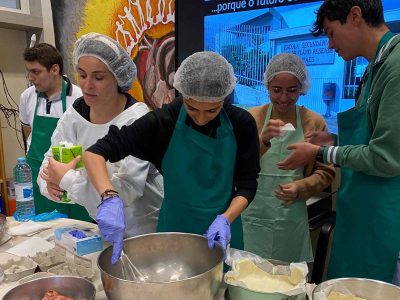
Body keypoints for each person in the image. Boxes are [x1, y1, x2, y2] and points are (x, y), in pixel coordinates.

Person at [83, 51, 261, 264]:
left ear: (224, 98)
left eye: (212, 110)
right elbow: (95, 152)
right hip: (174, 231)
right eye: (192, 108)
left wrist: (225, 219)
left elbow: (247, 184)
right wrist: (109, 197)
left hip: (221, 231)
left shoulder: (241, 124)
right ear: (182, 94)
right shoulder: (165, 121)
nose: (201, 119)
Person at [276, 0, 400, 283]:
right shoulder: (374, 68)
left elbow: (386, 157)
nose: (330, 45)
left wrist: (322, 151)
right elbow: (373, 137)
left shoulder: (396, 66)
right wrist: (335, 139)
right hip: (362, 212)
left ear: (355, 16)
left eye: (331, 33)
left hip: (384, 217)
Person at [37, 33, 164, 238]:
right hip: (101, 224)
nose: (87, 85)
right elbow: (49, 163)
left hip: (144, 227)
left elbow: (127, 190)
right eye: (82, 75)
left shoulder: (136, 120)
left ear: (118, 78)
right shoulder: (74, 116)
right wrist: (50, 184)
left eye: (98, 77)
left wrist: (67, 179)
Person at [242, 53, 335, 263]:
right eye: (277, 90)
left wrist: (301, 187)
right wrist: (262, 140)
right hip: (253, 215)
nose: (284, 98)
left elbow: (327, 171)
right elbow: (238, 164)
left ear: (301, 87)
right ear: (266, 85)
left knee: (288, 280)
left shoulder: (315, 121)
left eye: (292, 90)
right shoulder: (251, 117)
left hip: (291, 216)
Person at [20, 43, 90, 220]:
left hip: (72, 175)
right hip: (38, 173)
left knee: (77, 230)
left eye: (36, 72)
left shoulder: (81, 99)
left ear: (54, 69)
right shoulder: (27, 97)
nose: (30, 77)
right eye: (29, 71)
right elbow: (28, 133)